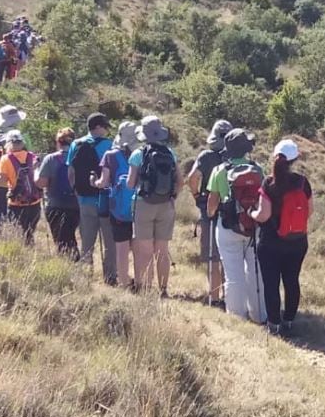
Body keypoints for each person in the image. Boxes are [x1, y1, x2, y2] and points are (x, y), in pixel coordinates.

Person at [250, 140, 313, 336]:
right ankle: (289, 320)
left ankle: (274, 324)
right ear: (295, 160)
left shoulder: (269, 183)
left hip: (271, 243)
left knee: (271, 283)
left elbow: (264, 215)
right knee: (292, 280)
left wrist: (251, 213)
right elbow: (309, 211)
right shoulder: (303, 182)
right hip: (297, 242)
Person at [206, 129, 266, 322]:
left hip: (228, 226)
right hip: (253, 226)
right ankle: (259, 315)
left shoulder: (219, 171)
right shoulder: (257, 169)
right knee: (255, 272)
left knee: (233, 274)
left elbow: (211, 204)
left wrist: (210, 214)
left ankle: (237, 319)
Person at [127, 116, 182, 297]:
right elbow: (180, 181)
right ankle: (163, 289)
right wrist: (172, 196)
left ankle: (146, 289)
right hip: (166, 204)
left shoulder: (138, 154)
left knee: (145, 250)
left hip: (143, 204)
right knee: (162, 250)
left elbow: (130, 183)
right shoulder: (170, 153)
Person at [67, 112, 117, 285]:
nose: (106, 131)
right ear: (98, 127)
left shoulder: (76, 143)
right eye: (105, 127)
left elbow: (71, 171)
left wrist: (76, 192)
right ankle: (110, 276)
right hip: (105, 200)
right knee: (110, 241)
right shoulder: (110, 145)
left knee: (87, 240)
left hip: (84, 199)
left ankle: (84, 276)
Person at [188, 119, 233, 306]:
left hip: (210, 209)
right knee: (228, 255)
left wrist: (197, 195)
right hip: (231, 211)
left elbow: (192, 177)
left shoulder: (205, 157)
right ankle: (229, 296)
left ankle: (214, 297)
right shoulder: (234, 157)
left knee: (212, 255)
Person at [93, 122, 138, 289]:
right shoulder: (139, 155)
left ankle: (124, 282)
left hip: (117, 209)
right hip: (139, 207)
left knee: (121, 247)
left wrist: (94, 182)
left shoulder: (110, 155)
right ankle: (141, 280)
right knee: (138, 246)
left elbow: (103, 182)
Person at [36, 128, 80, 259]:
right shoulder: (79, 158)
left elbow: (41, 183)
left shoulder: (50, 159)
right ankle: (74, 261)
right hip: (75, 204)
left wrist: (35, 171)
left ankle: (69, 263)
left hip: (55, 205)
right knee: (69, 235)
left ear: (58, 142)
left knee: (60, 239)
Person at [0, 130, 41, 246]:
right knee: (29, 233)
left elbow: (2, 181)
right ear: (22, 143)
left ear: (8, 144)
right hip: (35, 202)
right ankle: (30, 252)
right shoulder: (32, 156)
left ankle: (22, 255)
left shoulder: (5, 159)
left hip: (16, 203)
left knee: (18, 233)